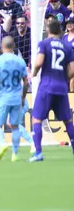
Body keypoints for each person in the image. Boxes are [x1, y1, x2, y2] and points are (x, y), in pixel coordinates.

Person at [29, 19, 74, 162]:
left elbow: (39, 62)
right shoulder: (67, 46)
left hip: (46, 86)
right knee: (68, 121)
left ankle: (38, 153)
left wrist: (34, 72)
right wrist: (63, 78)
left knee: (37, 119)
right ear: (60, 31)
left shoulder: (44, 44)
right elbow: (72, 70)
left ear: (47, 30)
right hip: (61, 87)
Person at [0, 36, 29, 162]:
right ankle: (15, 154)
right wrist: (23, 97)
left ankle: (2, 144)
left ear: (2, 47)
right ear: (14, 46)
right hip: (16, 97)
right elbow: (26, 82)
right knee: (15, 126)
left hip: (4, 97)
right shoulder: (20, 61)